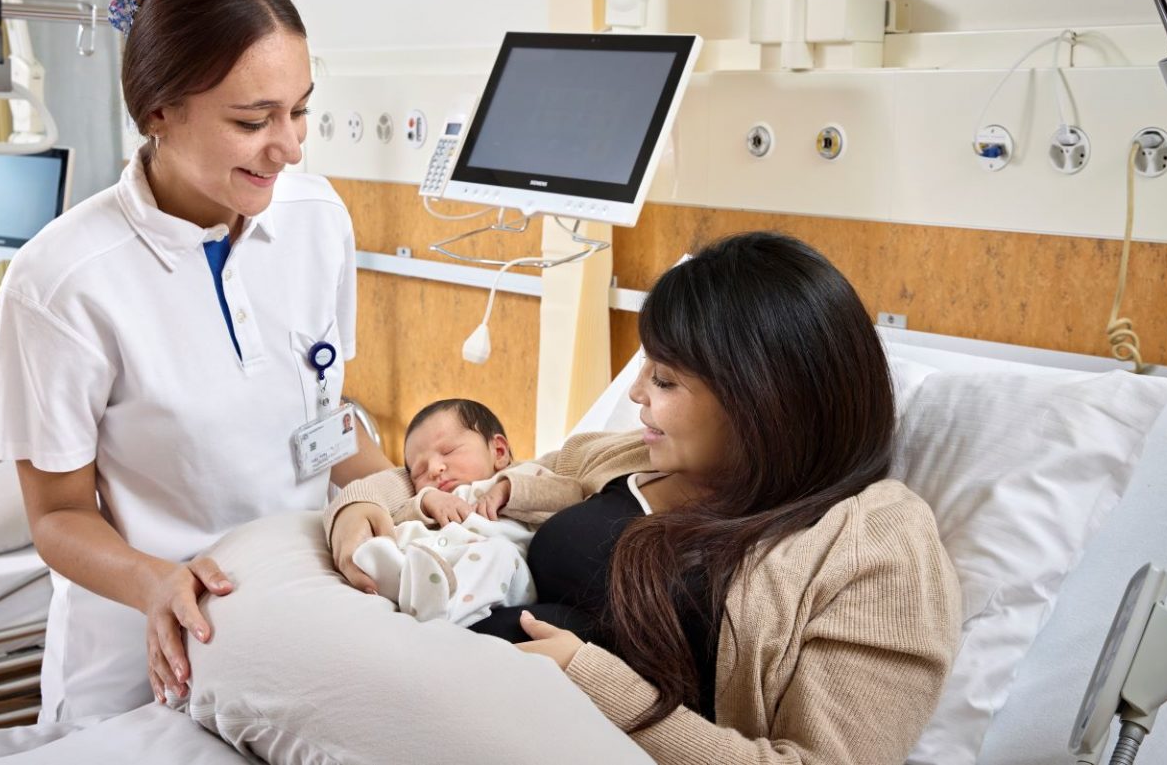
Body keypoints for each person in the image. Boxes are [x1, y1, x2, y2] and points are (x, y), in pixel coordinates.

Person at [326, 232, 962, 763]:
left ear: (762, 399)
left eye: (663, 378)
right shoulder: (620, 457)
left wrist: (588, 681)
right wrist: (358, 508)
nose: (635, 394)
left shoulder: (876, 545)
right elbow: (441, 488)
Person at [0, 0, 394, 721]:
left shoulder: (317, 218)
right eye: (253, 120)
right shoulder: (62, 281)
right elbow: (58, 515)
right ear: (159, 112)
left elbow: (322, 415)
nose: (291, 146)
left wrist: (391, 492)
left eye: (300, 109)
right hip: (144, 657)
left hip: (299, 625)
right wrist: (152, 581)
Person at [349, 399, 549, 625]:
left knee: (499, 553)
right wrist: (425, 501)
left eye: (449, 451)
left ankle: (441, 613)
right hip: (440, 561)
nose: (434, 470)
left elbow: (568, 493)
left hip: (505, 576)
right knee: (404, 533)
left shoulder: (525, 474)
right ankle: (399, 580)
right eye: (419, 471)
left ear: (499, 451)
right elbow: (394, 515)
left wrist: (507, 489)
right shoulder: (428, 498)